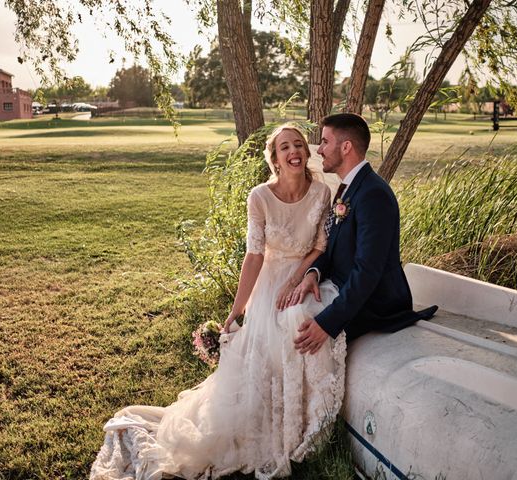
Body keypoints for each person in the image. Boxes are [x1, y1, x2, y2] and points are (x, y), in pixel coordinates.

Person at [90, 124, 346, 480]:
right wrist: (236, 311)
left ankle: (306, 425)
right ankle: (270, 425)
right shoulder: (259, 196)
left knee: (307, 317)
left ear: (307, 151)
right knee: (270, 344)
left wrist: (301, 278)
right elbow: (254, 256)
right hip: (269, 284)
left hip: (302, 277)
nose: (294, 151)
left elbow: (319, 246)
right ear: (274, 158)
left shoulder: (321, 192)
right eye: (285, 147)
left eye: (299, 144)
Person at [289, 113, 436, 355]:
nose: (319, 150)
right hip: (340, 286)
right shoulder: (348, 188)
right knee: (287, 312)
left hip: (373, 303)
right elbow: (333, 245)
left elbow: (368, 271)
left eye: (325, 142)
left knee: (296, 324)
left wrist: (327, 323)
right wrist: (313, 273)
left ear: (346, 147)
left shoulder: (373, 194)